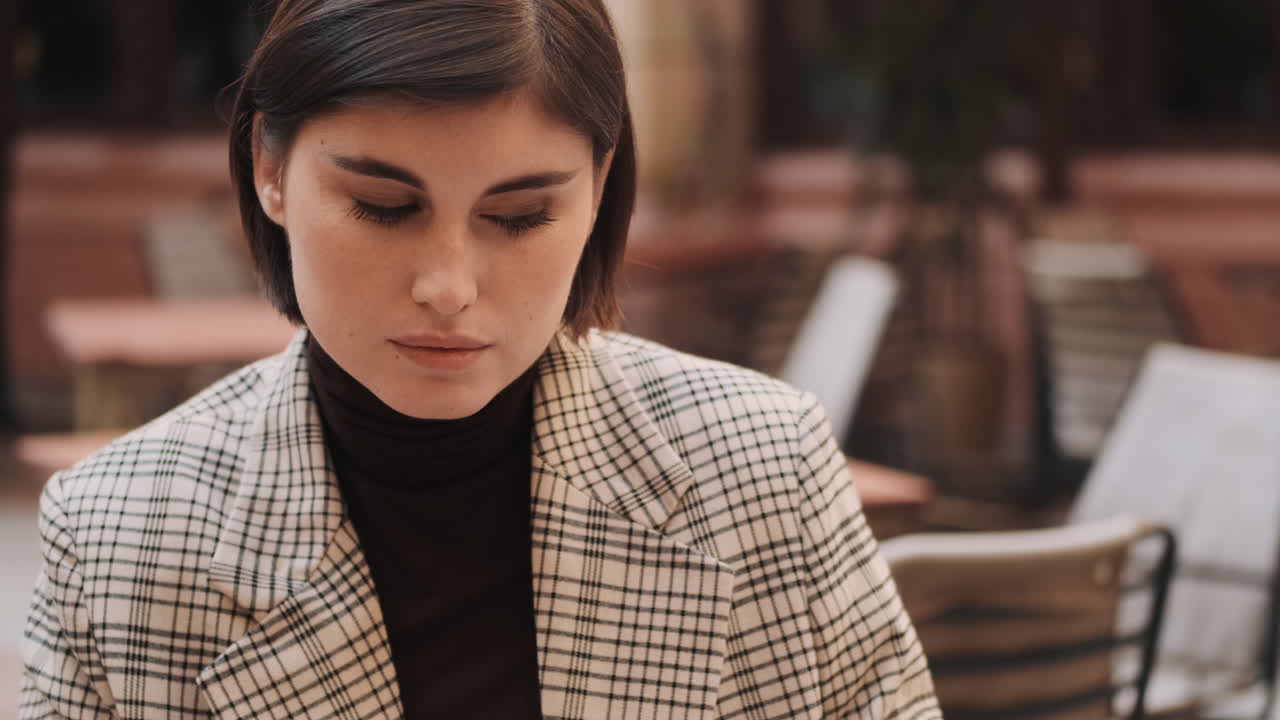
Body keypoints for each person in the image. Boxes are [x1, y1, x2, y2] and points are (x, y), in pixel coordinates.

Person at [21, 1, 940, 717]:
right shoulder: (117, 541)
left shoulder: (764, 471)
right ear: (269, 167)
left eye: (519, 217)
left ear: (599, 190)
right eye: (385, 206)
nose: (449, 286)